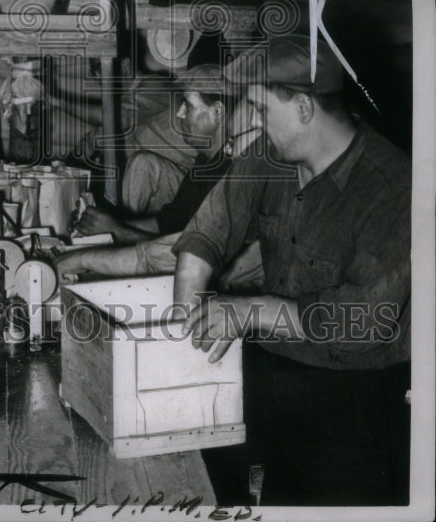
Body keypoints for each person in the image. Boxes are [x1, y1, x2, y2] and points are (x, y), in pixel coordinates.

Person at [172, 35, 411, 507]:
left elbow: (363, 321)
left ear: (303, 106)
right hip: (271, 381)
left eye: (262, 109)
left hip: (352, 403)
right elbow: (209, 229)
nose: (255, 122)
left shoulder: (393, 188)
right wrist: (188, 301)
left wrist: (252, 310)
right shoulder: (269, 156)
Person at [56, 65, 264, 283]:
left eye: (188, 105)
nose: (179, 113)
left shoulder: (229, 175)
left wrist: (117, 231)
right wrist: (107, 223)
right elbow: (166, 222)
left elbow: (193, 255)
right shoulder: (205, 162)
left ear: (218, 112)